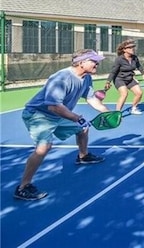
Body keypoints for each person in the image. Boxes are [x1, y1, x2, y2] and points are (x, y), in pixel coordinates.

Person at [14, 49, 111, 201]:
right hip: (38, 114)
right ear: (81, 62)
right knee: (43, 147)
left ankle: (83, 156)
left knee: (83, 128)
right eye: (93, 61)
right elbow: (53, 106)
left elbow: (91, 98)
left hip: (57, 114)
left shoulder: (86, 78)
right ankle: (23, 187)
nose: (97, 63)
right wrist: (75, 118)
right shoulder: (61, 78)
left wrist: (107, 112)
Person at [105, 40, 144, 115]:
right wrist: (108, 81)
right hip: (119, 79)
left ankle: (133, 108)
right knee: (124, 93)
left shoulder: (134, 58)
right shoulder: (119, 59)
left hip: (129, 78)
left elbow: (138, 66)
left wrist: (143, 73)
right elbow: (113, 71)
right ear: (124, 50)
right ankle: (117, 113)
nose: (132, 49)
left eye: (133, 47)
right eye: (130, 47)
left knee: (139, 93)